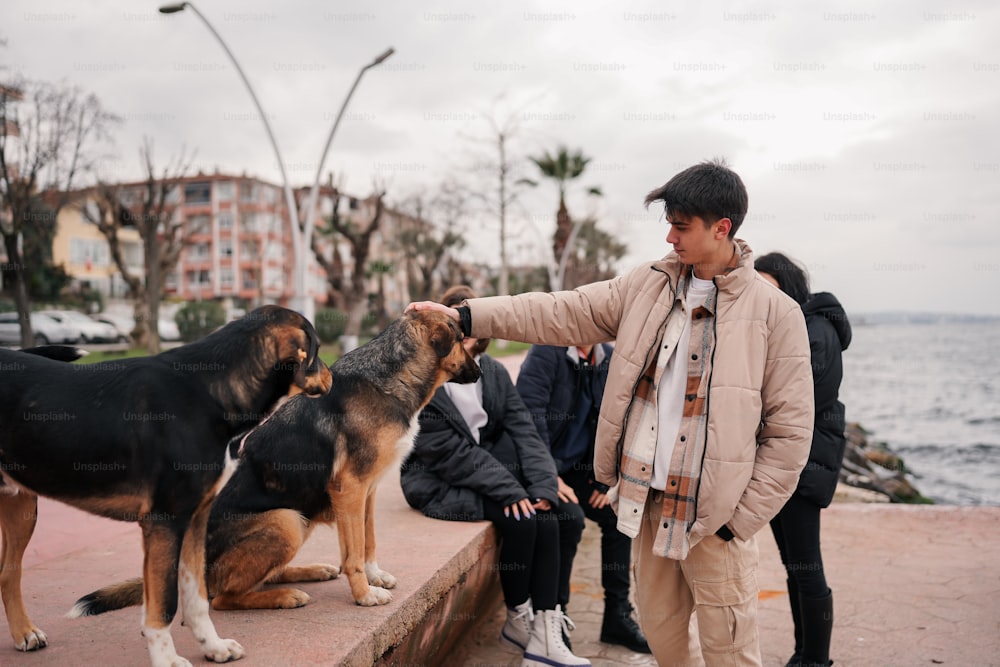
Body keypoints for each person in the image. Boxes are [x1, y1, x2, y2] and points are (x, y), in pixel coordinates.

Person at [407, 159, 815, 666]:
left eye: (681, 226)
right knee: (667, 646)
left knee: (730, 654)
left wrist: (740, 520)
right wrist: (465, 314)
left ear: (722, 228)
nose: (669, 237)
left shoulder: (778, 314)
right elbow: (560, 310)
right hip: (650, 509)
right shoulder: (646, 286)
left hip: (717, 521)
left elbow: (791, 432)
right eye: (669, 223)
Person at [400, 286, 590, 667]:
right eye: (453, 323)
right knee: (524, 518)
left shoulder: (494, 372)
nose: (462, 332)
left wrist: (541, 485)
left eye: (466, 323)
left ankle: (546, 623)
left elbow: (525, 431)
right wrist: (510, 490)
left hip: (487, 472)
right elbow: (447, 453)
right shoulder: (421, 381)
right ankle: (522, 620)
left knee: (556, 514)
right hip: (439, 480)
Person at [516, 343, 650, 654]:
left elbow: (622, 418)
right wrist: (547, 476)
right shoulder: (546, 353)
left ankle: (617, 617)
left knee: (618, 515)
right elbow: (527, 417)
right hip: (540, 465)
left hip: (583, 471)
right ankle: (553, 616)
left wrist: (608, 479)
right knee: (570, 520)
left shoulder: (611, 356)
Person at [755, 252, 852, 667]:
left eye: (766, 286)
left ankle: (816, 659)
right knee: (794, 565)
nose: (759, 294)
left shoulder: (815, 331)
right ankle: (803, 654)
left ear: (787, 285)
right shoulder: (794, 327)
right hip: (787, 461)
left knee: (807, 566)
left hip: (805, 461)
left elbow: (801, 398)